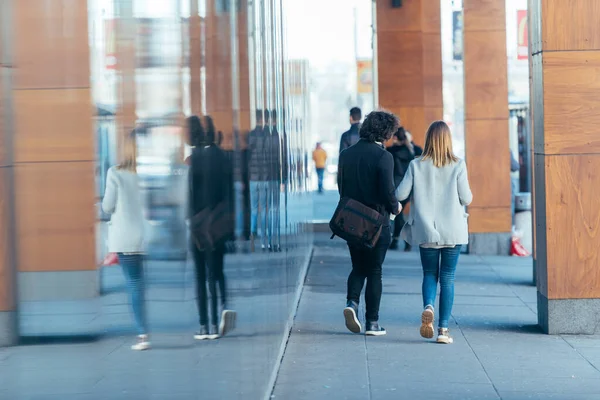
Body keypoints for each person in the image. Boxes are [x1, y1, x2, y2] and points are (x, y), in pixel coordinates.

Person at [396, 120, 473, 344]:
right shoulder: (458, 165)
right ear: (448, 140)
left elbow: (401, 194)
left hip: (426, 231)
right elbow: (467, 198)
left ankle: (428, 305)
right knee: (447, 278)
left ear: (428, 139)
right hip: (453, 231)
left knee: (430, 274)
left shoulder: (416, 165)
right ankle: (443, 330)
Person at [338, 111, 402, 336]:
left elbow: (341, 188)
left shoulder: (346, 154)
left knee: (358, 266)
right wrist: (396, 207)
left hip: (352, 221)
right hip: (377, 223)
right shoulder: (383, 157)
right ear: (385, 131)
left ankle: (352, 303)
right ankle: (372, 323)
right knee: (375, 270)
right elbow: (388, 191)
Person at [188, 115, 237, 340]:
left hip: (199, 225)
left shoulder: (194, 159)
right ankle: (223, 309)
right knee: (217, 271)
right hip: (219, 224)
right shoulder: (223, 157)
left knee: (200, 275)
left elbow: (190, 196)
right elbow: (230, 193)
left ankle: (204, 325)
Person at [102, 134, 149, 351]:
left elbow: (107, 206)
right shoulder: (143, 175)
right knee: (139, 282)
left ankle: (142, 333)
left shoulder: (115, 173)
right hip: (142, 235)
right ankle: (143, 331)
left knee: (133, 284)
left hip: (124, 237)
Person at [387, 127, 415, 251]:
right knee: (399, 215)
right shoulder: (410, 150)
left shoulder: (391, 151)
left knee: (398, 215)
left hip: (396, 186)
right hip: (408, 186)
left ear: (395, 137)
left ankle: (400, 240)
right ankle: (399, 240)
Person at [247, 110, 270, 251]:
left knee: (254, 207)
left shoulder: (251, 135)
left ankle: (252, 231)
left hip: (253, 177)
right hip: (265, 177)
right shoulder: (268, 135)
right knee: (265, 207)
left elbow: (248, 157)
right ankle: (263, 233)